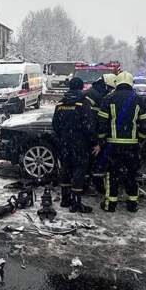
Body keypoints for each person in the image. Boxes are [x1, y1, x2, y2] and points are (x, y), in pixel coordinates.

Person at [95, 71, 146, 212]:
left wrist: (101, 139)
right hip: (132, 146)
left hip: (112, 145)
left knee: (112, 174)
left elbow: (101, 123)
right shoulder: (138, 100)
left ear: (117, 83)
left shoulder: (108, 99)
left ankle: (110, 204)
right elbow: (145, 126)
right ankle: (132, 204)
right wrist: (140, 139)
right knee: (131, 174)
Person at [51, 77, 96, 213]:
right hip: (80, 142)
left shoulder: (60, 103)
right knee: (79, 169)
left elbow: (55, 125)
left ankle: (65, 199)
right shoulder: (83, 103)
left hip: (64, 142)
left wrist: (63, 136)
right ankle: (76, 202)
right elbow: (89, 125)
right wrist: (94, 141)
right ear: (81, 87)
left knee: (66, 168)